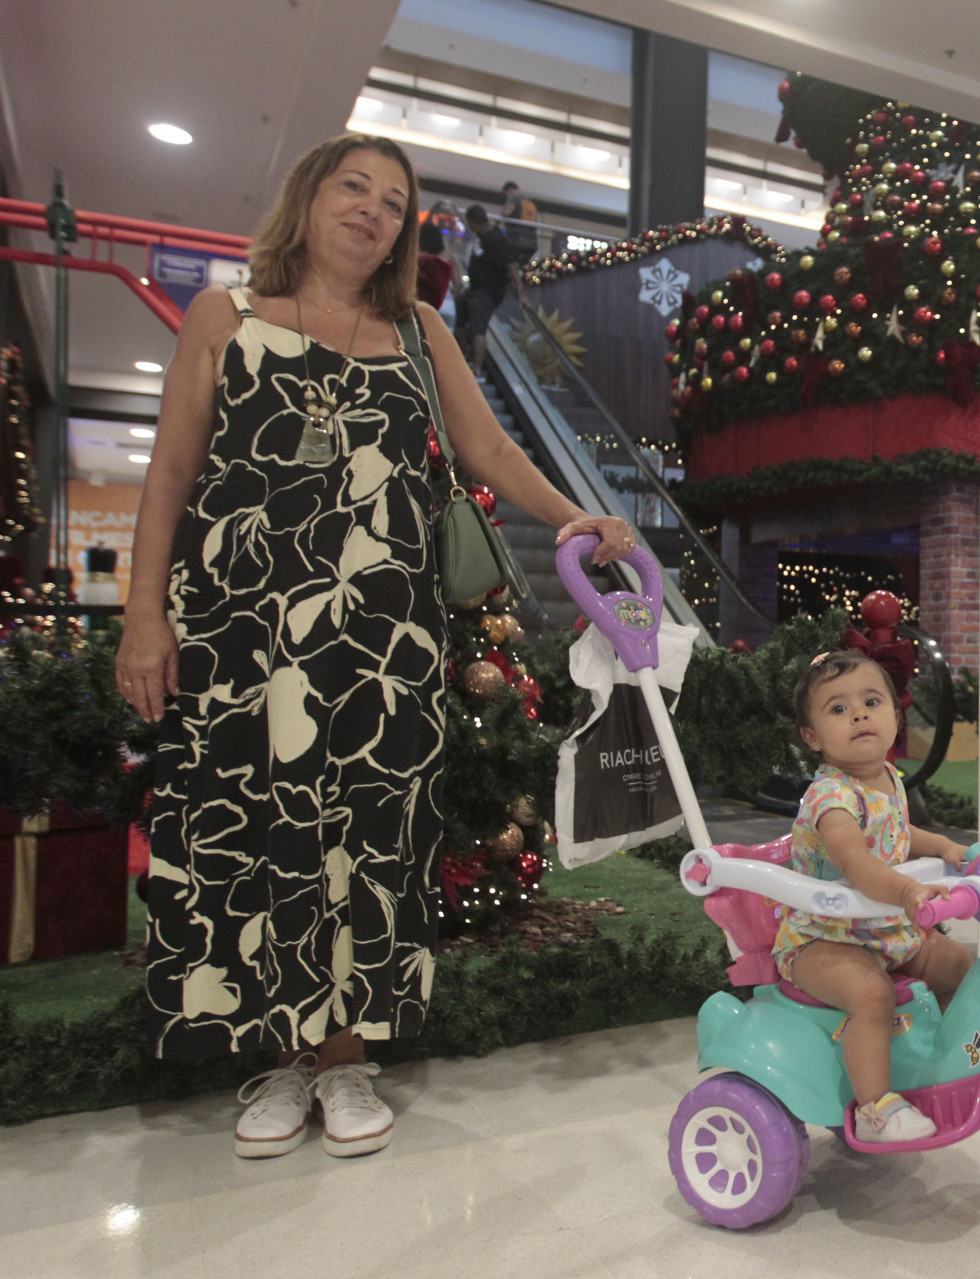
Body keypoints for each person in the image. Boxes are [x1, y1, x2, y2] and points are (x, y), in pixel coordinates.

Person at [115, 133, 638, 1160]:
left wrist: (573, 515)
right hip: (242, 630)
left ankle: (347, 1056)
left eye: (394, 202)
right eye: (353, 187)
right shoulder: (225, 316)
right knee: (252, 825)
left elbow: (488, 447)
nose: (373, 209)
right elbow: (171, 472)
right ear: (307, 200)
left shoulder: (418, 329)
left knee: (370, 832)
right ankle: (277, 1054)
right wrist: (144, 615)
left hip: (379, 636)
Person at [775, 651, 977, 1141]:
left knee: (958, 963)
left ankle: (944, 1059)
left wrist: (945, 847)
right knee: (871, 994)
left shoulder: (887, 778)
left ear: (895, 716)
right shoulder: (830, 797)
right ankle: (876, 1110)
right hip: (822, 938)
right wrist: (907, 890)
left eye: (871, 702)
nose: (859, 715)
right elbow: (856, 861)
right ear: (812, 738)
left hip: (882, 931)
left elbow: (898, 832)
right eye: (838, 709)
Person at [462, 204, 515, 377]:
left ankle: (477, 369)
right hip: (476, 289)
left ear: (473, 222)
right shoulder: (484, 236)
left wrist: (521, 294)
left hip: (487, 291)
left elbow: (512, 265)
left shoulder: (495, 239)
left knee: (479, 328)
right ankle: (465, 359)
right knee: (461, 317)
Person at [414, 219, 455, 311]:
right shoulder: (447, 259)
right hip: (448, 305)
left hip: (424, 310)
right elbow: (458, 284)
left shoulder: (420, 261)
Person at [499, 180, 539, 263]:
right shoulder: (530, 201)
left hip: (516, 239)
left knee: (510, 262)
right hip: (531, 241)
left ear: (509, 189)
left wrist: (502, 212)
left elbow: (506, 213)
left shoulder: (513, 197)